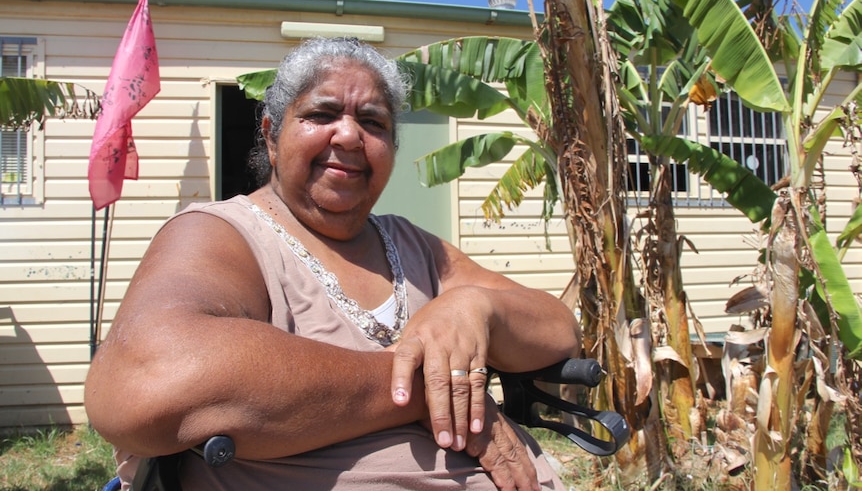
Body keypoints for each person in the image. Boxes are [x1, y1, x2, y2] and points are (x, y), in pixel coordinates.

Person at [85, 37, 581, 491]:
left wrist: (475, 308)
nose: (348, 136)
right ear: (272, 137)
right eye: (321, 114)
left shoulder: (415, 248)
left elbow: (559, 329)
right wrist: (420, 391)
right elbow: (144, 382)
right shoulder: (223, 233)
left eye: (373, 122)